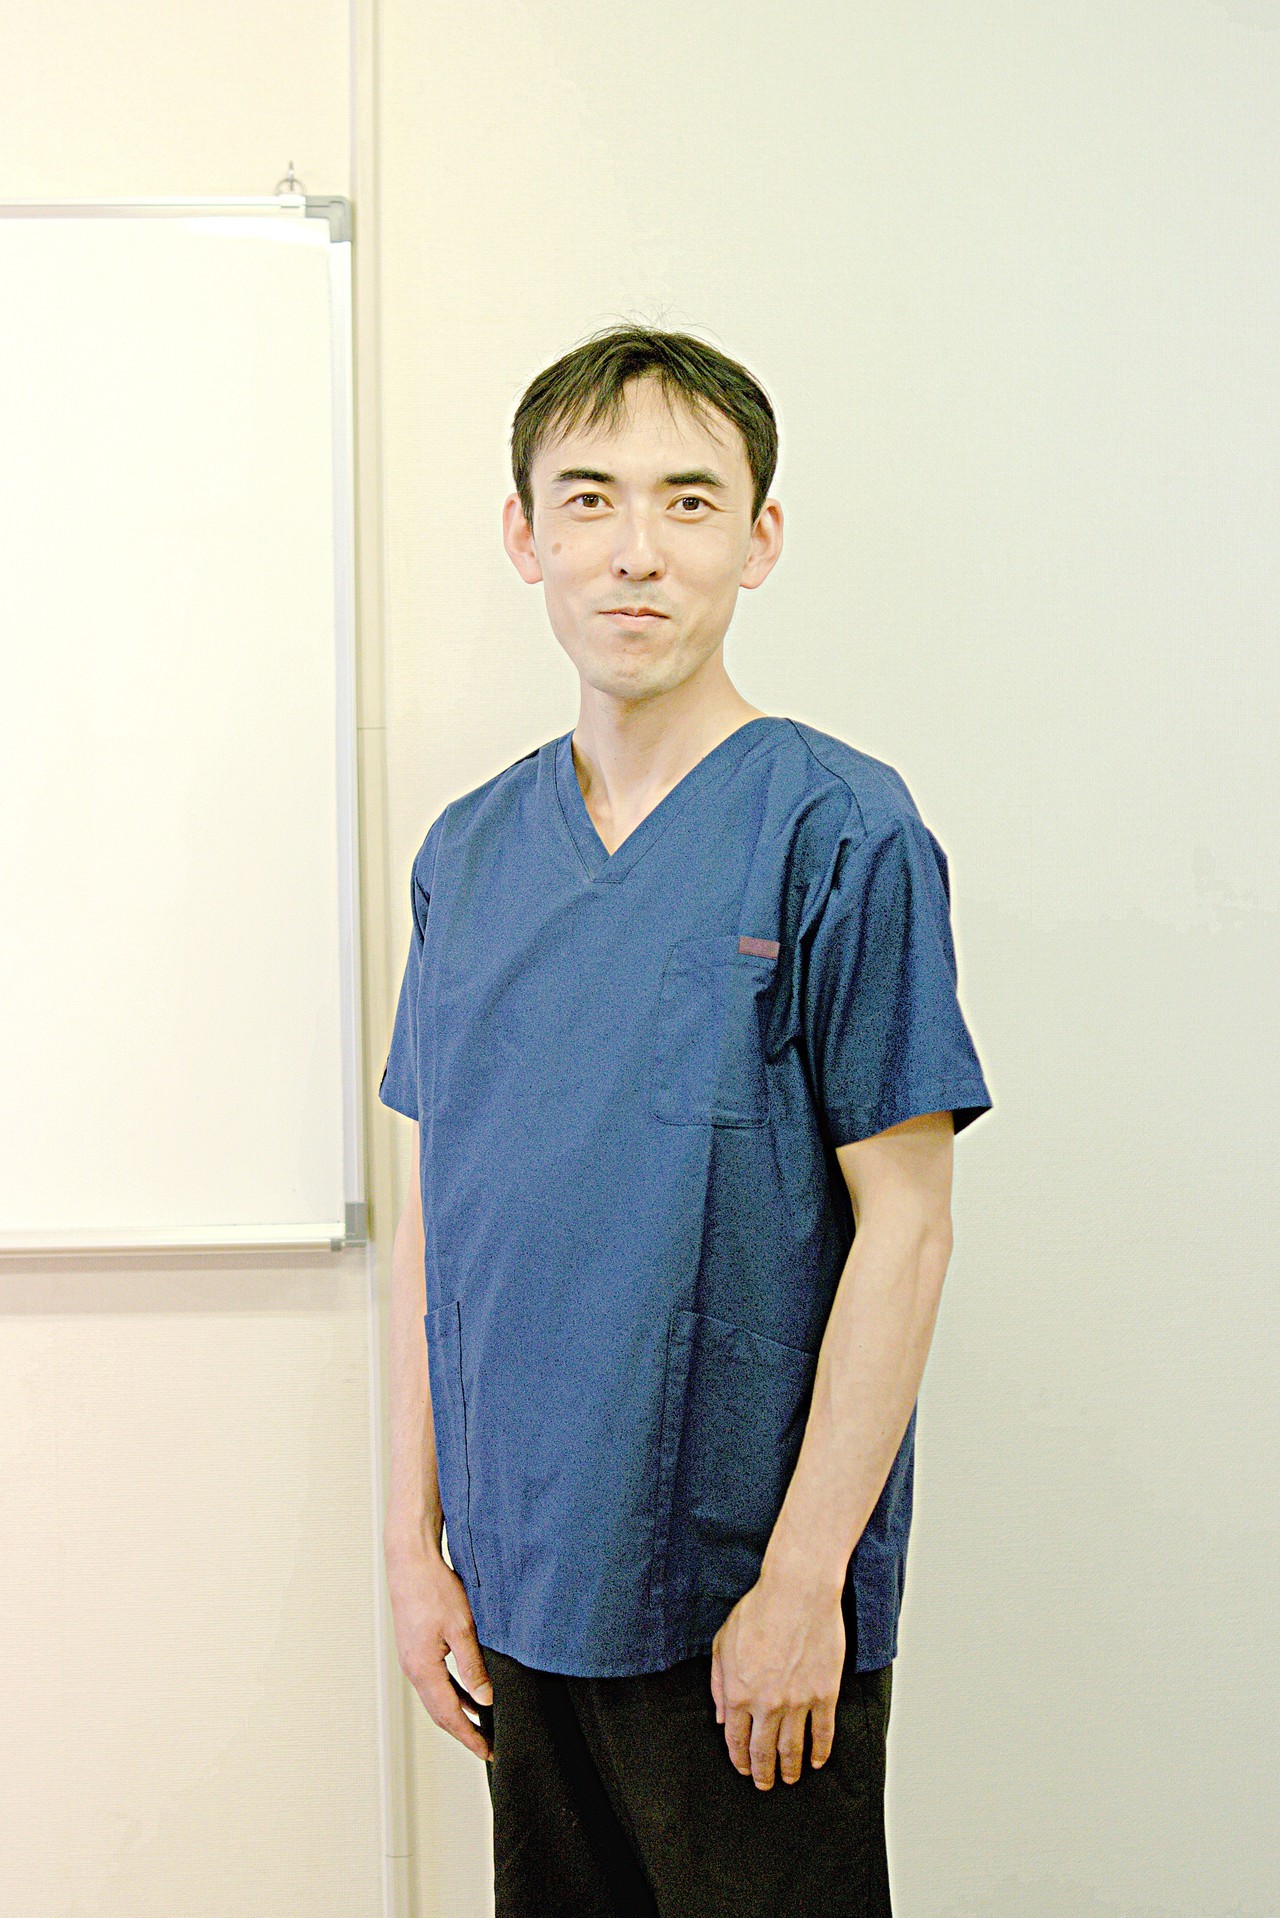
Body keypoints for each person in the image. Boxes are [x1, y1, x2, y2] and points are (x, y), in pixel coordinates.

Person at [379, 323, 994, 1916]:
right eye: (588, 499)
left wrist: (803, 1580)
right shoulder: (468, 853)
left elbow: (909, 1227)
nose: (634, 550)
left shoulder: (838, 829)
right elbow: (439, 1218)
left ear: (759, 538)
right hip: (520, 1577)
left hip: (735, 1591)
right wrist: (412, 1543)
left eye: (689, 500)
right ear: (525, 535)